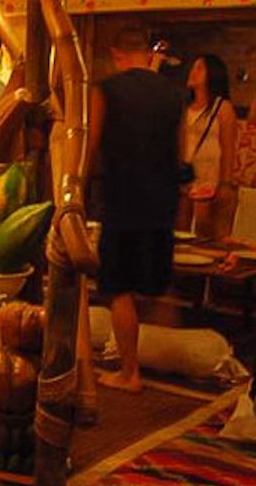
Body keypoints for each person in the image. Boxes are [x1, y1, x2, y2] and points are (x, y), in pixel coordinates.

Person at [87, 26, 185, 393]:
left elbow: (91, 143)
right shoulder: (175, 94)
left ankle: (130, 372)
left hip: (122, 199)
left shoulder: (107, 90)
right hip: (163, 201)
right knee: (158, 284)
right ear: (146, 53)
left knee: (119, 287)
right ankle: (167, 364)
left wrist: (74, 189)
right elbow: (181, 154)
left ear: (117, 55)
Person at [177, 54, 238, 239]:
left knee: (208, 234)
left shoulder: (222, 108)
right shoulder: (185, 108)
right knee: (181, 232)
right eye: (193, 68)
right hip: (187, 179)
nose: (193, 72)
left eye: (200, 68)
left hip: (211, 179)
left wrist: (225, 183)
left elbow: (228, 148)